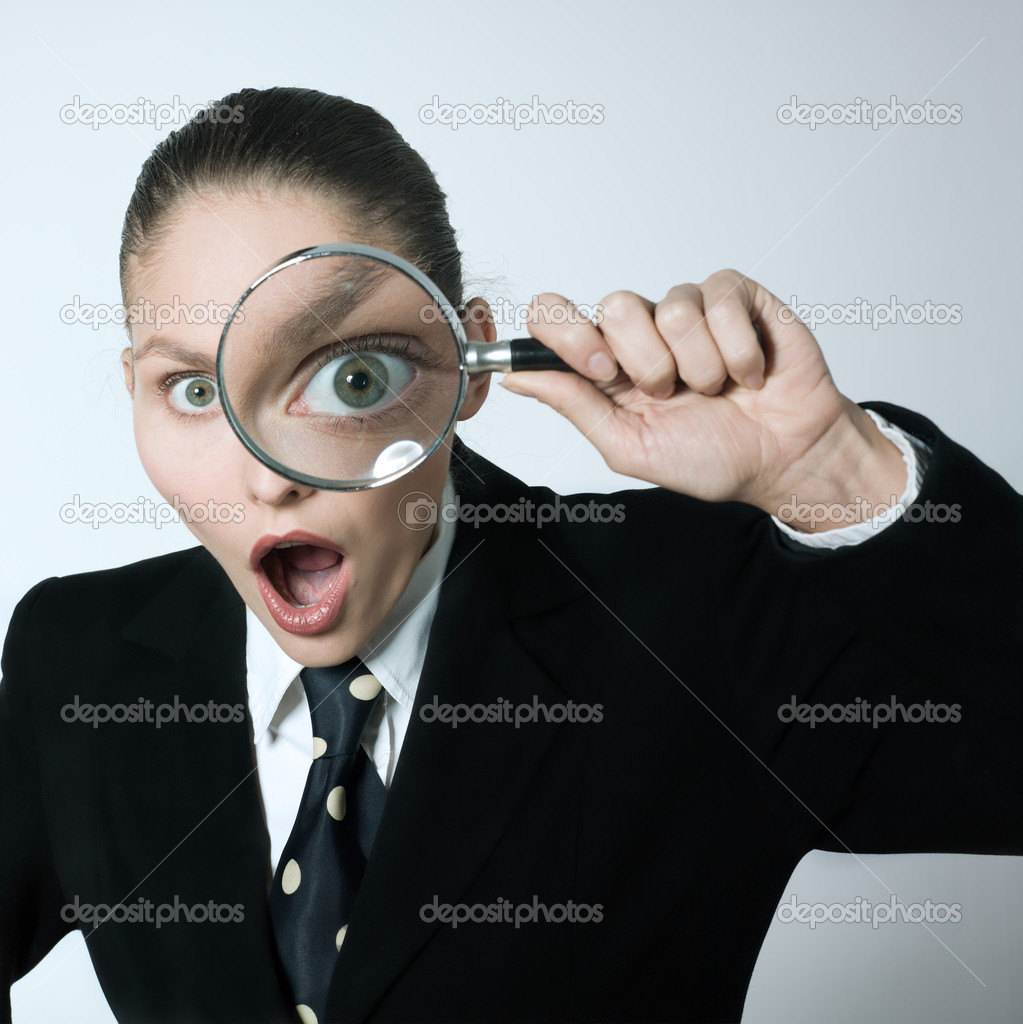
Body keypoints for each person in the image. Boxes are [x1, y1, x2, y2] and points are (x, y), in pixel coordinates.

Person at [1, 86, 1019, 1024]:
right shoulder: (79, 654)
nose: (268, 478)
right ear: (136, 383)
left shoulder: (691, 614)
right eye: (192, 391)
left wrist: (835, 469)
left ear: (464, 362)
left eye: (353, 378)